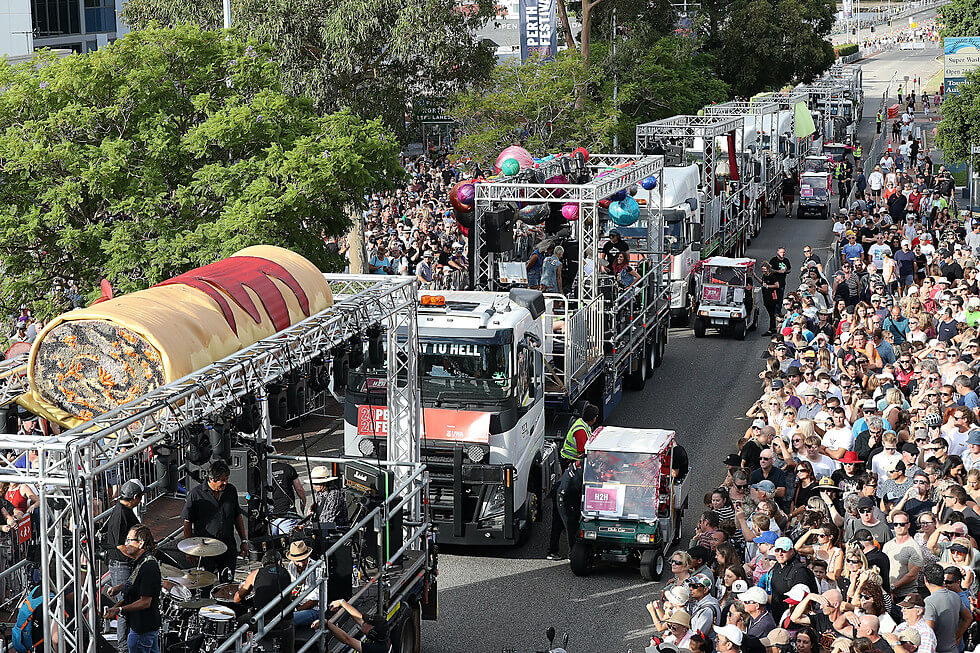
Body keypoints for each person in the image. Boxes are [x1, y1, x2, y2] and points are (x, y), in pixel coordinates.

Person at [181, 460, 247, 580]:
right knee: (205, 584)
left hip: (227, 547)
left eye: (227, 479)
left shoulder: (231, 490)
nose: (225, 482)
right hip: (205, 550)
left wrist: (243, 540)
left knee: (227, 583)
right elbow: (187, 522)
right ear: (211, 479)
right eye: (222, 480)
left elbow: (237, 516)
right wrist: (189, 550)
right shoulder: (196, 494)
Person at [105, 526, 162, 653]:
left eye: (130, 540)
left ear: (141, 543)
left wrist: (119, 609)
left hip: (142, 629)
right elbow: (137, 582)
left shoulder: (148, 566)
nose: (126, 544)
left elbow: (145, 602)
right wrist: (120, 587)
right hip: (143, 627)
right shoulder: (142, 562)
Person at [104, 480, 143, 653]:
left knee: (128, 603)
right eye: (140, 497)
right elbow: (120, 545)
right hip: (121, 565)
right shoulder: (121, 514)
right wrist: (139, 555)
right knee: (124, 605)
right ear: (135, 497)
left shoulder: (124, 511)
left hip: (124, 564)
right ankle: (123, 647)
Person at [235, 550, 294, 653]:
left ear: (263, 563)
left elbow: (237, 598)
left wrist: (240, 589)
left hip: (262, 621)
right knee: (291, 622)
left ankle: (245, 648)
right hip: (284, 620)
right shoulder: (286, 573)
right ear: (279, 562)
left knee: (241, 621)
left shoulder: (255, 574)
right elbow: (289, 598)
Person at [922, 563, 973, 653]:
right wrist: (957, 636)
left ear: (925, 579)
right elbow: (968, 618)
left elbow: (928, 634)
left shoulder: (929, 602)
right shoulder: (955, 596)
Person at [769, 537, 818, 619]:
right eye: (777, 550)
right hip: (777, 616)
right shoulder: (777, 566)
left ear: (792, 551)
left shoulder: (800, 571)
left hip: (792, 618)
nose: (780, 554)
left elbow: (801, 600)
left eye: (784, 550)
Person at [324, 599, 390, 653]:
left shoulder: (376, 649)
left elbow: (347, 639)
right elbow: (358, 618)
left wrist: (326, 623)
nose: (363, 622)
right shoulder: (380, 636)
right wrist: (342, 602)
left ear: (372, 632)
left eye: (367, 622)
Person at [284, 540, 322, 631]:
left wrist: (294, 610)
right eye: (298, 561)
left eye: (303, 560)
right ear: (292, 560)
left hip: (315, 610)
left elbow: (314, 601)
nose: (301, 564)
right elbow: (292, 589)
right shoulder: (291, 565)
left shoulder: (317, 568)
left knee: (287, 620)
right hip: (298, 604)